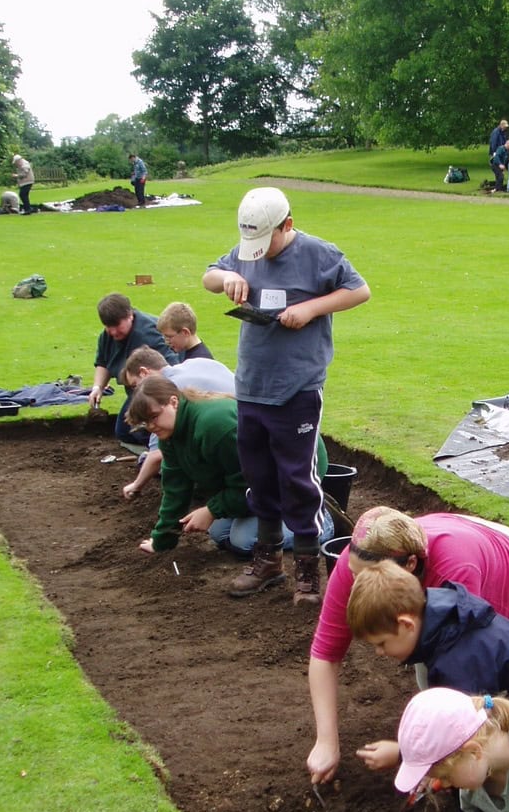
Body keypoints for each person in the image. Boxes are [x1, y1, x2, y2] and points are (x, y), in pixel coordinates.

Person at [306, 506, 509, 783]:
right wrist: (326, 742)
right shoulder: (361, 562)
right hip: (466, 545)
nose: (356, 584)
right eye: (354, 575)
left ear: (409, 565)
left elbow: (466, 711)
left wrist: (416, 758)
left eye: (382, 644)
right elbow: (325, 651)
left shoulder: (456, 578)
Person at [202, 185, 370, 604]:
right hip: (252, 386)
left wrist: (312, 308)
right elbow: (209, 275)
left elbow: (359, 290)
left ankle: (309, 573)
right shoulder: (245, 252)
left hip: (296, 387)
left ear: (287, 225)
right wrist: (227, 277)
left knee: (297, 479)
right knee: (257, 476)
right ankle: (269, 561)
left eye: (267, 240)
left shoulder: (319, 253)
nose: (258, 251)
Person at [347, 560, 509, 775]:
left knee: (483, 778)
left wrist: (403, 755)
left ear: (407, 624)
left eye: (381, 643)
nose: (380, 653)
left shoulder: (458, 660)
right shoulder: (448, 616)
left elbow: (461, 736)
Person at [126, 374, 334, 557]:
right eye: (146, 423)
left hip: (291, 471)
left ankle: (319, 521)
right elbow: (175, 489)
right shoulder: (170, 436)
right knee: (219, 533)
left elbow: (252, 482)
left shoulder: (215, 426)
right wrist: (162, 541)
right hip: (256, 481)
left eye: (154, 417)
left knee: (244, 542)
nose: (152, 427)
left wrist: (212, 510)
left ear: (173, 402)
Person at [120, 347, 236, 500]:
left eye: (135, 385)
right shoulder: (197, 362)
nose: (136, 392)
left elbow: (157, 455)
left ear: (144, 373)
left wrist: (137, 485)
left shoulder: (166, 391)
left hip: (233, 448)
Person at [87, 293, 180, 442]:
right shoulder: (107, 337)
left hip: (155, 390)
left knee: (141, 430)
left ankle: (161, 448)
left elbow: (169, 370)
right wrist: (98, 387)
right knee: (124, 432)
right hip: (135, 390)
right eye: (108, 327)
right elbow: (103, 362)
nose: (113, 332)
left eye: (117, 326)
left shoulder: (148, 334)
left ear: (130, 315)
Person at [488, 118, 509, 183]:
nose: (505, 128)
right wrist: (494, 152)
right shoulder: (496, 132)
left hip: (501, 152)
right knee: (497, 168)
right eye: (505, 126)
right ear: (501, 125)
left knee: (500, 169)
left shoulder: (503, 132)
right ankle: (498, 184)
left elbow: (504, 143)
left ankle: (499, 183)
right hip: (496, 152)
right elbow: (493, 142)